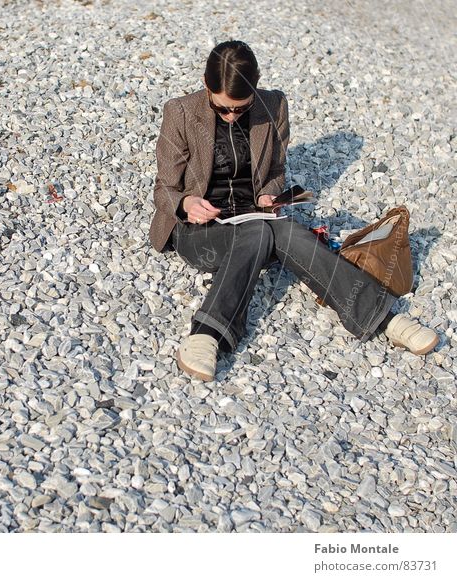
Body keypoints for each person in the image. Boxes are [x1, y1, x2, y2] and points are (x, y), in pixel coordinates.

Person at [149, 40, 439, 381]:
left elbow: (274, 172)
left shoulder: (273, 105)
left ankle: (381, 317)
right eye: (221, 108)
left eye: (240, 109)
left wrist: (269, 197)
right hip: (200, 230)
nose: (231, 116)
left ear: (255, 89)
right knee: (262, 232)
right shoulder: (181, 112)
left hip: (254, 217)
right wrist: (186, 203)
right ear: (205, 84)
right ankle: (206, 334)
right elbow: (164, 188)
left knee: (283, 229)